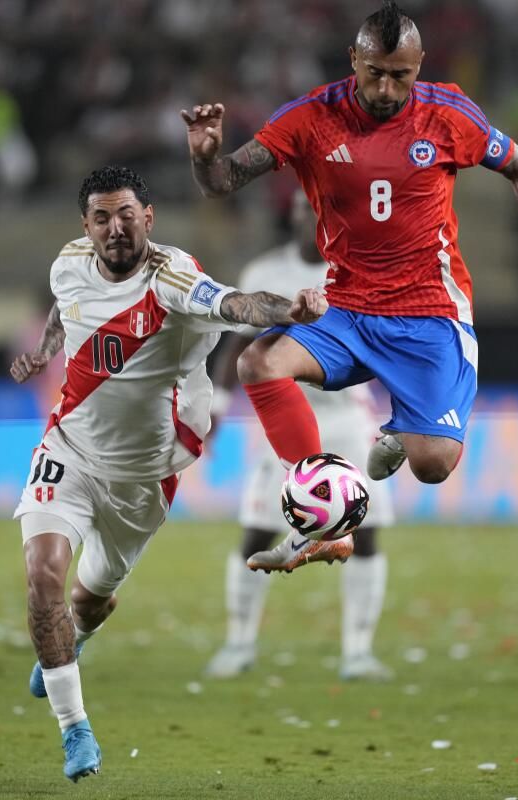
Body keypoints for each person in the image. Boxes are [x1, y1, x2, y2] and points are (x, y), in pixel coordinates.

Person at [181, 0, 518, 572]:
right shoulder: (311, 116)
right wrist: (206, 158)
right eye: (375, 73)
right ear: (353, 59)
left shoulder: (449, 113)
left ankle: (399, 433)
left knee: (432, 465)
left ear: (420, 65)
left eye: (400, 76)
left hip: (430, 312)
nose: (386, 89)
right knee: (259, 365)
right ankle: (327, 516)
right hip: (348, 307)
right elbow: (224, 181)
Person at [8, 166, 326, 782]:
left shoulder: (175, 279)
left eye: (126, 214)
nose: (115, 228)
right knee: (43, 573)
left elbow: (239, 303)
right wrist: (48, 349)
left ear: (148, 218)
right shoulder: (69, 262)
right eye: (101, 218)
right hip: (67, 449)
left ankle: (73, 636)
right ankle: (76, 729)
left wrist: (292, 309)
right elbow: (63, 307)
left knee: (89, 601)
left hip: (143, 479)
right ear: (86, 225)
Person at [204, 194, 395, 682]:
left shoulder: (356, 272)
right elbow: (237, 346)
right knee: (258, 529)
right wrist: (219, 408)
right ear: (292, 213)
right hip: (284, 421)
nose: (313, 217)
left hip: (348, 419)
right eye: (306, 208)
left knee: (364, 532)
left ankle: (358, 651)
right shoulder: (263, 273)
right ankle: (239, 643)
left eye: (323, 209)